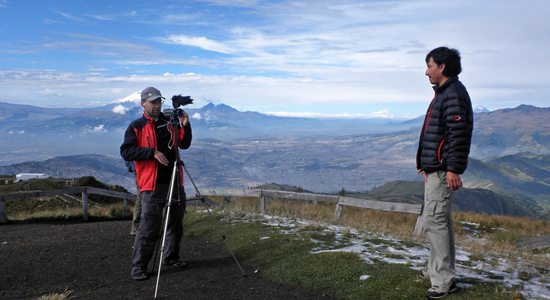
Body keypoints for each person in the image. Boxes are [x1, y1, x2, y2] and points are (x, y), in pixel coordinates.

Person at [416, 47, 473, 299]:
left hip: (442, 170)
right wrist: (425, 162)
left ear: (442, 67)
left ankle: (443, 280)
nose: (426, 71)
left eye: (429, 66)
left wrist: (452, 168)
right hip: (436, 169)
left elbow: (457, 134)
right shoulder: (446, 93)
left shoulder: (452, 94)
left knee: (434, 222)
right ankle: (437, 269)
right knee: (440, 222)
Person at [121, 86, 192, 281]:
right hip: (151, 185)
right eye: (152, 102)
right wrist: (151, 153)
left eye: (159, 101)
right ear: (143, 103)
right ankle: (139, 268)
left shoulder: (169, 123)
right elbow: (126, 151)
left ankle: (171, 258)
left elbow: (184, 144)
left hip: (174, 181)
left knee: (175, 225)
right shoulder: (136, 126)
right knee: (149, 228)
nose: (156, 105)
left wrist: (185, 124)